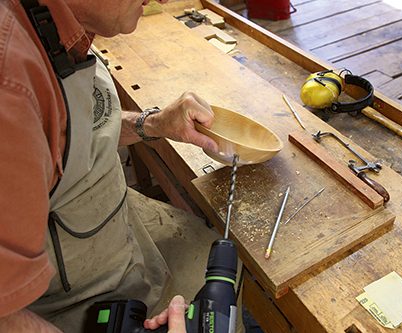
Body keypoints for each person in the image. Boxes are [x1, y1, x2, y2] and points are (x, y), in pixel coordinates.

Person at [0, 0, 236, 332]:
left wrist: (154, 124)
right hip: (74, 299)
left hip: (121, 228)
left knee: (226, 272)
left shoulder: (67, 27)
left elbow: (77, 129)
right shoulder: (10, 80)